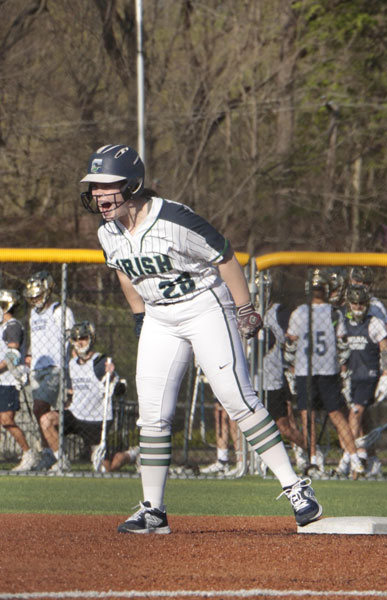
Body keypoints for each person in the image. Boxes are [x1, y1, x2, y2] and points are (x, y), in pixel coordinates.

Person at [79, 143, 321, 534]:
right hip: (160, 315)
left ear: (133, 184)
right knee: (153, 415)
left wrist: (244, 308)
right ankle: (153, 511)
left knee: (236, 399)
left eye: (108, 185)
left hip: (204, 306)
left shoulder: (173, 218)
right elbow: (123, 273)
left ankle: (296, 489)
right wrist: (140, 316)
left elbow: (224, 255)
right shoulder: (108, 233)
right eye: (94, 186)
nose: (99, 194)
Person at [286, 268, 364, 478]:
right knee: (337, 415)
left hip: (306, 369)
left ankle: (314, 460)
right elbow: (343, 345)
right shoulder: (333, 313)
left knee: (308, 416)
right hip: (328, 369)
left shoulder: (300, 312)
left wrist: (290, 367)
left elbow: (291, 342)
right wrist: (343, 367)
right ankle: (355, 460)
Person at [41, 321, 139, 473]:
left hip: (96, 420)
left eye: (83, 338)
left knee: (105, 469)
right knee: (46, 420)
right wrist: (67, 404)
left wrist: (112, 377)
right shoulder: (72, 364)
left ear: (91, 339)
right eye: (75, 339)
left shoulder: (100, 362)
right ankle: (62, 461)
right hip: (75, 414)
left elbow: (120, 388)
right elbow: (71, 392)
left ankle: (132, 454)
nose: (79, 343)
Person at [337, 284, 387, 478]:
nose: (358, 307)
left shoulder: (374, 323)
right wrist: (342, 374)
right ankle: (364, 459)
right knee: (354, 421)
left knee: (355, 414)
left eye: (362, 303)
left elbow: (385, 350)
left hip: (368, 376)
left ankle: (348, 460)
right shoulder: (343, 322)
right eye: (354, 303)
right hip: (350, 376)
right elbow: (341, 351)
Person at [23, 270, 76, 471]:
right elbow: (35, 340)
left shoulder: (60, 311)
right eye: (32, 296)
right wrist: (28, 358)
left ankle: (60, 457)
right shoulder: (33, 314)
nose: (35, 299)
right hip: (36, 368)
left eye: (37, 295)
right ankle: (47, 453)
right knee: (39, 413)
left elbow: (71, 341)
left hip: (55, 368)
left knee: (39, 408)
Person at [257, 295, 308, 472]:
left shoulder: (278, 312)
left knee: (284, 426)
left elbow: (292, 339)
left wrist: (291, 365)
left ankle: (311, 452)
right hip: (252, 379)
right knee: (256, 426)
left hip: (274, 378)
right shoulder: (243, 309)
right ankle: (262, 462)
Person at [0, 289, 39, 472]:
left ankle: (28, 453)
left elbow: (13, 355)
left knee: (7, 419)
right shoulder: (3, 327)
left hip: (7, 380)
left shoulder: (12, 326)